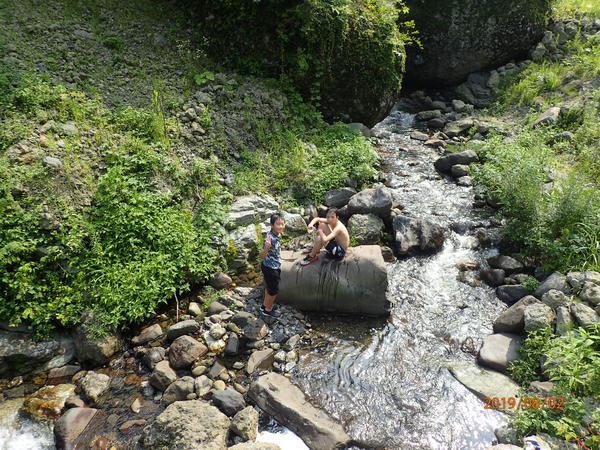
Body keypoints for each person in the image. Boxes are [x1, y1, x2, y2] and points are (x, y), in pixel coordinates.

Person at [259, 214, 285, 318]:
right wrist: (266, 247)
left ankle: (265, 306)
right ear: (272, 225)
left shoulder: (276, 234)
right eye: (278, 224)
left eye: (282, 224)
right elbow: (262, 256)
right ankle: (268, 310)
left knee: (269, 287)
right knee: (274, 291)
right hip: (270, 268)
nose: (281, 226)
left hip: (271, 266)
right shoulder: (269, 238)